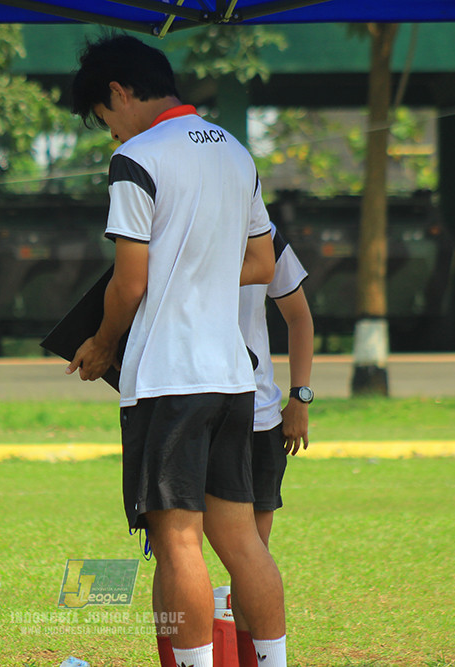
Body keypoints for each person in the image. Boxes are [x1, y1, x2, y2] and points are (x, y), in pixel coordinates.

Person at [66, 35, 276, 667]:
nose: (109, 134)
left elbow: (130, 283)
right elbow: (261, 261)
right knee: (241, 541)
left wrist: (102, 347)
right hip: (234, 377)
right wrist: (199, 272)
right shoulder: (236, 152)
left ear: (119, 94)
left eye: (104, 119)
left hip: (170, 378)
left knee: (178, 538)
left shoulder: (138, 158)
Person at [153, 224, 314, 667]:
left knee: (237, 555)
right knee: (177, 552)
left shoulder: (258, 235)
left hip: (249, 415)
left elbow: (299, 315)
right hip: (194, 401)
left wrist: (300, 396)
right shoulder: (178, 219)